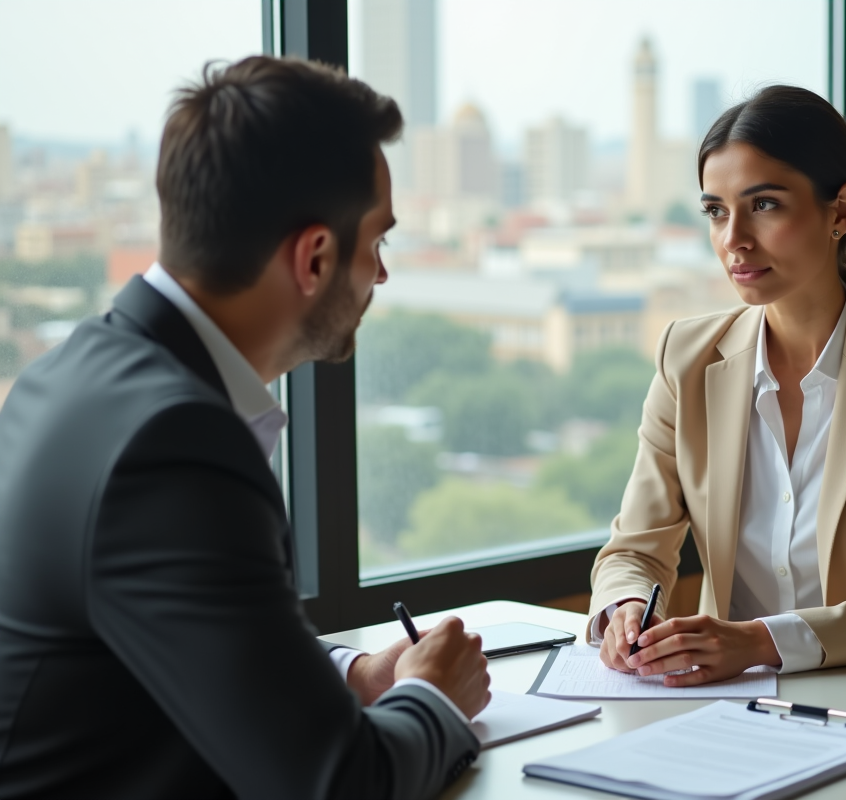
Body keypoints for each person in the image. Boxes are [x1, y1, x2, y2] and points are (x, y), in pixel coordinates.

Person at [0, 57, 490, 799]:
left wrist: (353, 675)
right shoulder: (175, 445)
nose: (382, 276)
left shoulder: (70, 374)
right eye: (377, 244)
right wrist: (434, 698)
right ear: (315, 258)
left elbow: (183, 634)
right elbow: (340, 785)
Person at [590, 85, 846, 686]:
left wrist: (759, 641)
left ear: (841, 211)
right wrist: (625, 608)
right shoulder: (687, 359)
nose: (734, 239)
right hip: (737, 701)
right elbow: (634, 548)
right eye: (716, 211)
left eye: (765, 205)